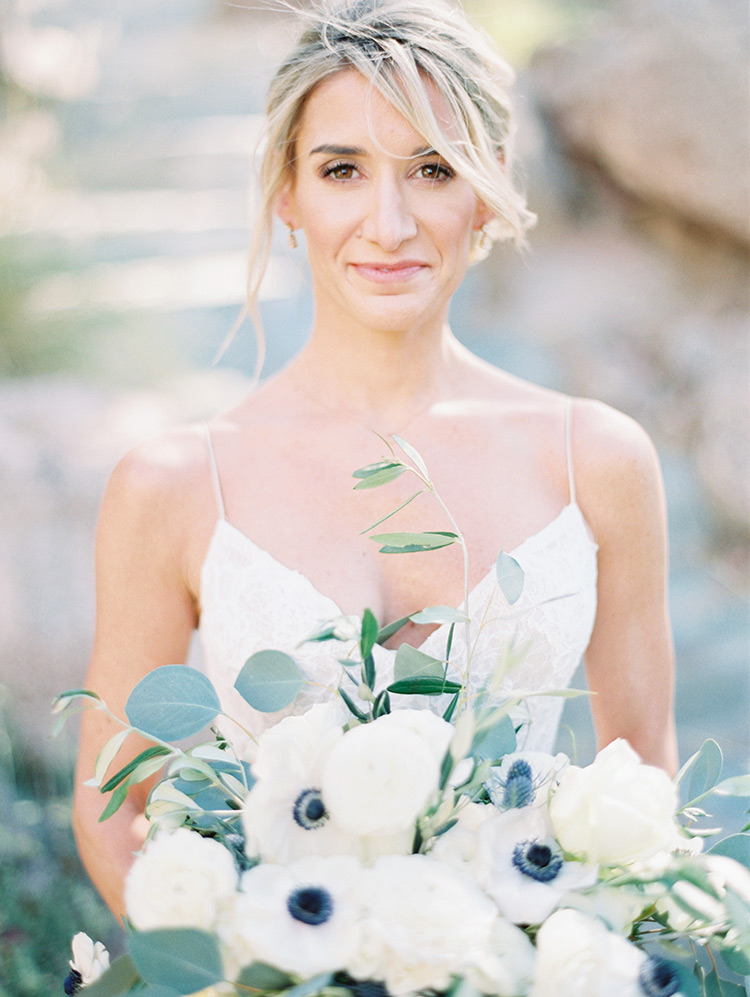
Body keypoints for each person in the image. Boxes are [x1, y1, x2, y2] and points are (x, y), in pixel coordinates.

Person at [73, 0, 678, 918]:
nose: (388, 224)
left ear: (487, 185)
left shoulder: (594, 460)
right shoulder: (174, 483)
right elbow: (116, 809)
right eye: (342, 170)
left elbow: (643, 780)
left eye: (432, 169)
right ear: (287, 191)